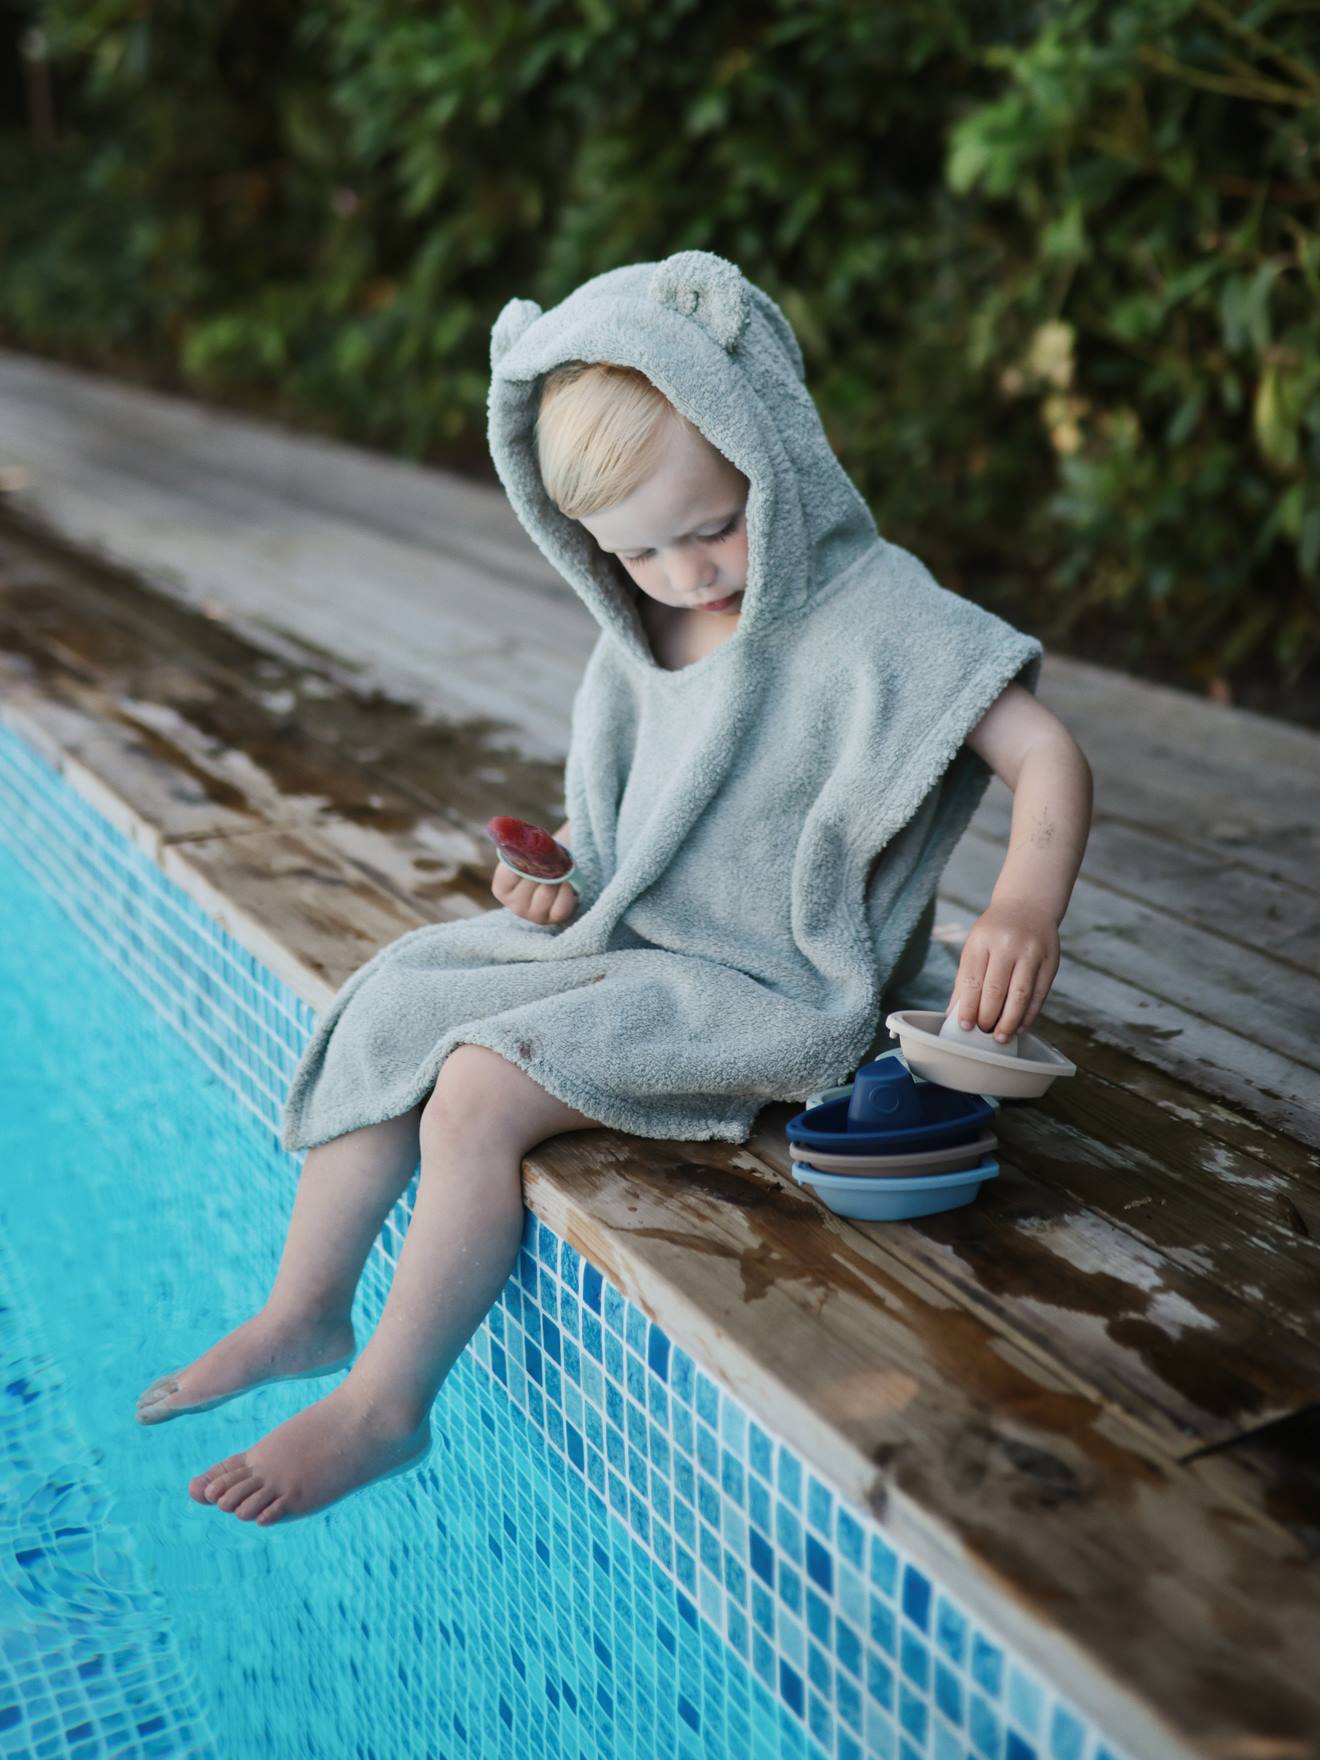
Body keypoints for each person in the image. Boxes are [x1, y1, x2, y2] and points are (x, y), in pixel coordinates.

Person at [135, 251, 1092, 1525]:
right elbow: (614, 840)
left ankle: (388, 1401)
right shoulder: (640, 636)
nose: (691, 572)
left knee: (476, 1086)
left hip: (769, 984)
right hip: (639, 939)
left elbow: (1043, 752)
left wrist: (1024, 903)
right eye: (641, 552)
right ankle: (301, 1308)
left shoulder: (873, 610)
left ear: (775, 452)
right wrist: (551, 886)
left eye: (713, 526)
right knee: (399, 999)